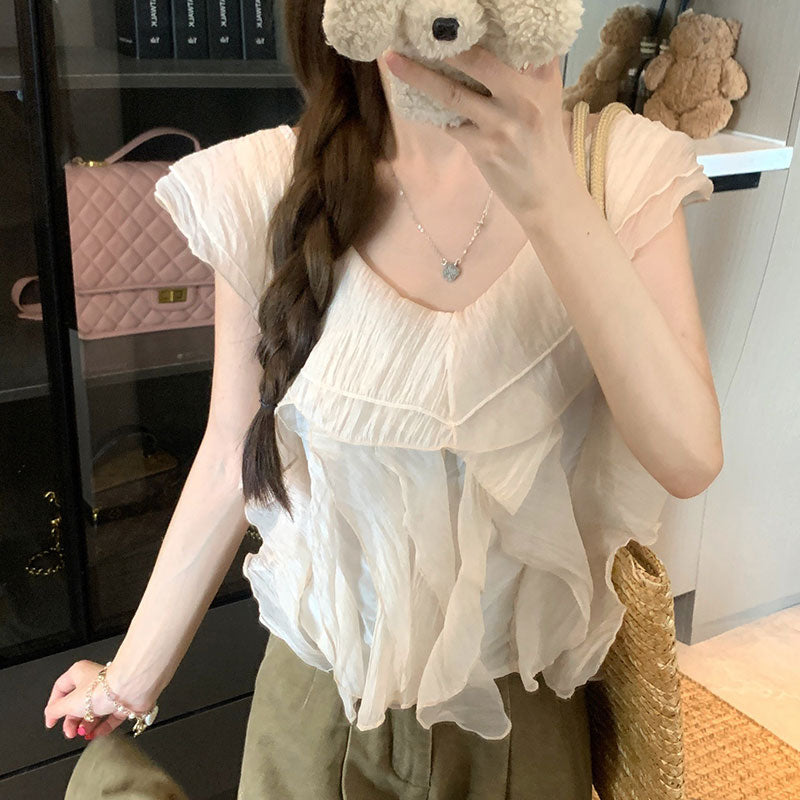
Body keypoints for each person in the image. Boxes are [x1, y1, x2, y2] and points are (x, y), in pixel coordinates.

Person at [44, 1, 723, 797]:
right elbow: (232, 447)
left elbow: (688, 458)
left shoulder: (620, 170)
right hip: (316, 712)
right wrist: (130, 678)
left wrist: (549, 195)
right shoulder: (266, 183)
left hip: (524, 715)